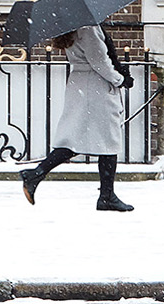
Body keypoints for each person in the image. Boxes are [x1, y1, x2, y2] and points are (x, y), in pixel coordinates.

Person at [18, 24, 136, 212]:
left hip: (82, 84)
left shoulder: (73, 26)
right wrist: (120, 79)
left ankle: (37, 174)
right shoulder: (88, 28)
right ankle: (106, 196)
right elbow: (99, 62)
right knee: (108, 140)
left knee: (76, 138)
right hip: (95, 86)